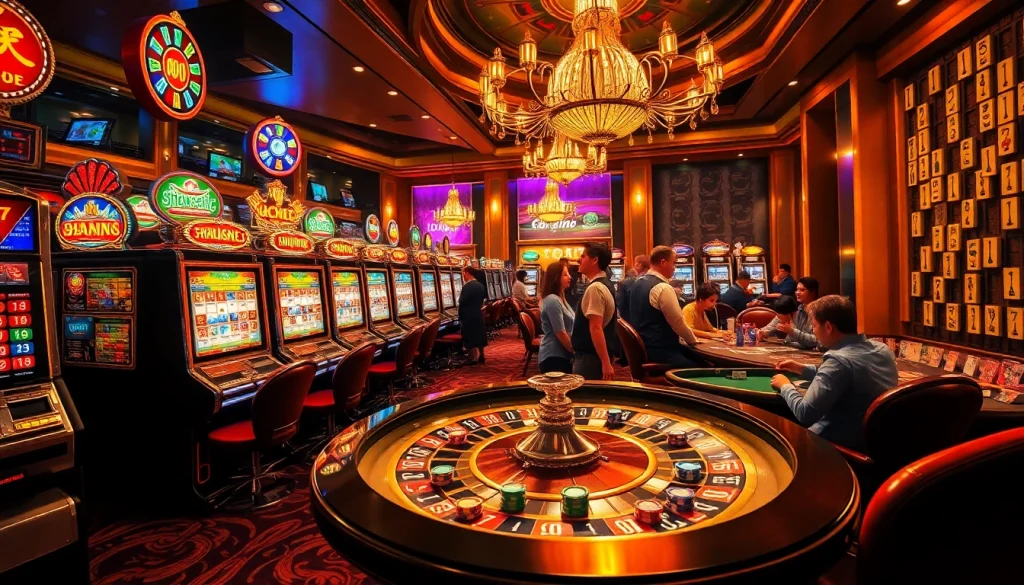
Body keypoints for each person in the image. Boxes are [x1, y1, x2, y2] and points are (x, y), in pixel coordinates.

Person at [770, 295, 898, 451]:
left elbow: (805, 413)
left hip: (837, 445)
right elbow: (844, 376)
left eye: (815, 326)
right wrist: (801, 368)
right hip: (876, 440)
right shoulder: (882, 349)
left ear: (829, 327)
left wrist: (785, 386)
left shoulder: (838, 361)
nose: (813, 332)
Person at [628, 245, 700, 368]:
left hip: (643, 349)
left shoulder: (637, 282)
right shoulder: (663, 288)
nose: (674, 268)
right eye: (673, 263)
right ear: (663, 262)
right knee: (705, 367)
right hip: (662, 352)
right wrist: (694, 341)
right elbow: (678, 323)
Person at [570, 243, 617, 380]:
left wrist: (606, 363)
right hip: (593, 357)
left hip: (590, 359)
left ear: (595, 260)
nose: (579, 259)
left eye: (583, 256)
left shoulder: (595, 288)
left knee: (585, 399)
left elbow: (596, 328)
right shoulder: (605, 283)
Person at [759, 278, 820, 349]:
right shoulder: (798, 308)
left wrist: (792, 332)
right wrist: (763, 332)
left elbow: (816, 341)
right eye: (797, 289)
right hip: (794, 350)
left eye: (802, 290)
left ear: (812, 292)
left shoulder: (819, 312)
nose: (797, 292)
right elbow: (775, 324)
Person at [538, 262, 574, 374]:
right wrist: (575, 352)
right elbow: (560, 332)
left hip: (562, 354)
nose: (570, 277)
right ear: (556, 278)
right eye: (565, 274)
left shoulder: (560, 298)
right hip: (553, 356)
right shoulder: (553, 300)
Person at [458, 266, 488, 363]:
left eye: (463, 274)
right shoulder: (480, 285)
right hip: (477, 313)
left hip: (467, 315)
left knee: (469, 336)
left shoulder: (467, 286)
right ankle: (481, 355)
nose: (463, 276)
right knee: (479, 335)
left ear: (467, 273)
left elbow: (461, 301)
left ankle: (473, 358)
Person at [615, 254, 650, 325]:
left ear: (638, 265)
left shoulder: (628, 282)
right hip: (647, 324)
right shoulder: (653, 281)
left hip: (631, 323)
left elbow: (620, 306)